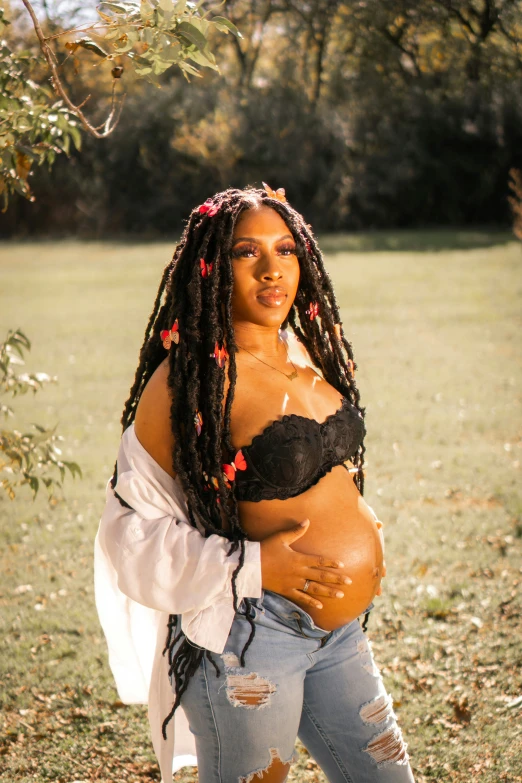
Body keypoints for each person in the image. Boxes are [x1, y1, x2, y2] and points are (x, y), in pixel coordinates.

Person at [94, 184, 415, 783]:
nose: (272, 270)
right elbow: (128, 534)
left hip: (339, 634)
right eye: (247, 253)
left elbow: (313, 460)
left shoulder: (302, 350)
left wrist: (357, 520)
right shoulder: (189, 383)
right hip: (253, 637)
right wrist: (254, 565)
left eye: (286, 250)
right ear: (212, 266)